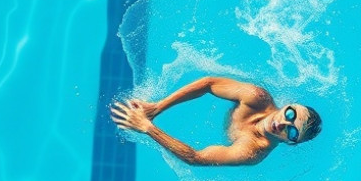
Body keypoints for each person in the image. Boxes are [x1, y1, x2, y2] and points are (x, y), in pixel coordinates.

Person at [111, 76, 322, 166]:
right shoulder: (257, 97)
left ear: (290, 143)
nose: (283, 124)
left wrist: (147, 127)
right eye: (291, 114)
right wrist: (157, 107)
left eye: (292, 132)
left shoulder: (252, 151)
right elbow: (209, 84)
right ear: (287, 105)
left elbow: (195, 158)